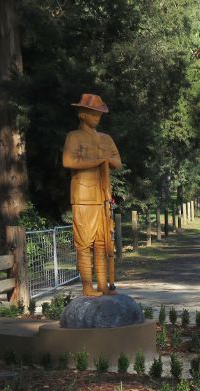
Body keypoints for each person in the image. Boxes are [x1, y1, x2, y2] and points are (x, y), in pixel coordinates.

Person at [62, 93, 122, 297]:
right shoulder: (74, 136)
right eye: (93, 113)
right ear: (82, 114)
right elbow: (68, 162)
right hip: (83, 196)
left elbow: (117, 162)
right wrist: (97, 160)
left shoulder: (106, 138)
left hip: (103, 195)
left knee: (102, 242)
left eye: (99, 114)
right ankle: (87, 285)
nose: (97, 117)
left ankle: (103, 285)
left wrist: (106, 160)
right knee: (84, 242)